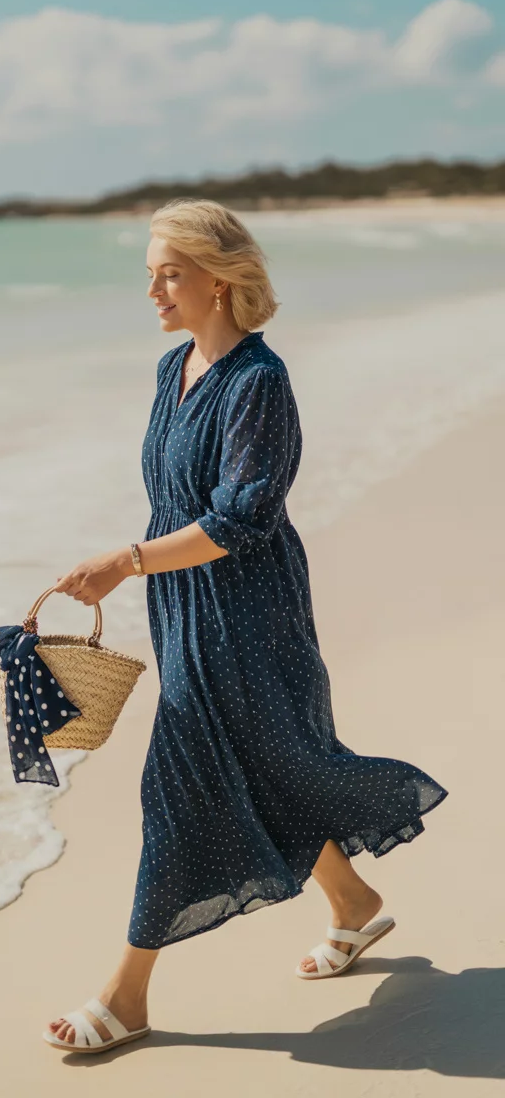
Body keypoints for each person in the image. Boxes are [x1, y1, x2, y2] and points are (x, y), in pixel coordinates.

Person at [43, 197, 448, 1054]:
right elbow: (174, 495)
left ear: (221, 281)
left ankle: (128, 992)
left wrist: (126, 560)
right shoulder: (172, 369)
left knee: (183, 783)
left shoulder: (261, 382)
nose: (154, 289)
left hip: (250, 613)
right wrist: (140, 567)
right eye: (150, 272)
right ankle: (354, 904)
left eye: (170, 272)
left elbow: (240, 521)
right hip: (184, 605)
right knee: (266, 767)